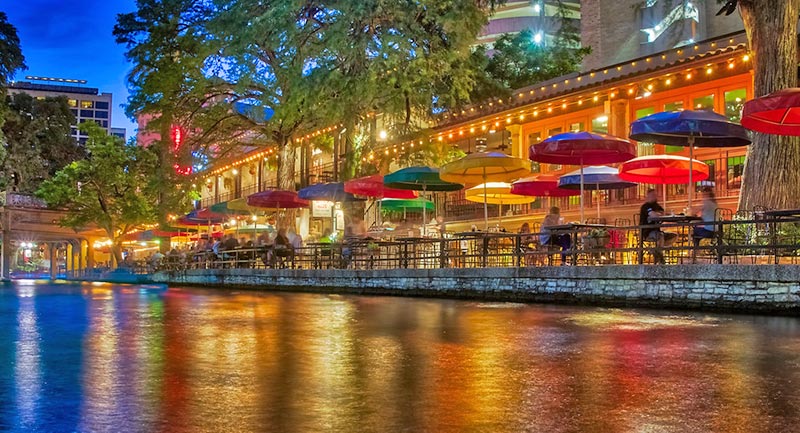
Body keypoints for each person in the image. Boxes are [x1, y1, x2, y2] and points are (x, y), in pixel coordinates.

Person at [639, 188, 678, 264]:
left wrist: (658, 213)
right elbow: (653, 215)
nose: (654, 197)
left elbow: (663, 213)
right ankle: (659, 255)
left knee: (674, 236)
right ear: (648, 196)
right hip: (647, 232)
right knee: (660, 236)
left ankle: (656, 250)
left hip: (657, 231)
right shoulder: (645, 207)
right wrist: (658, 214)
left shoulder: (657, 206)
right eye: (652, 195)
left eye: (655, 195)